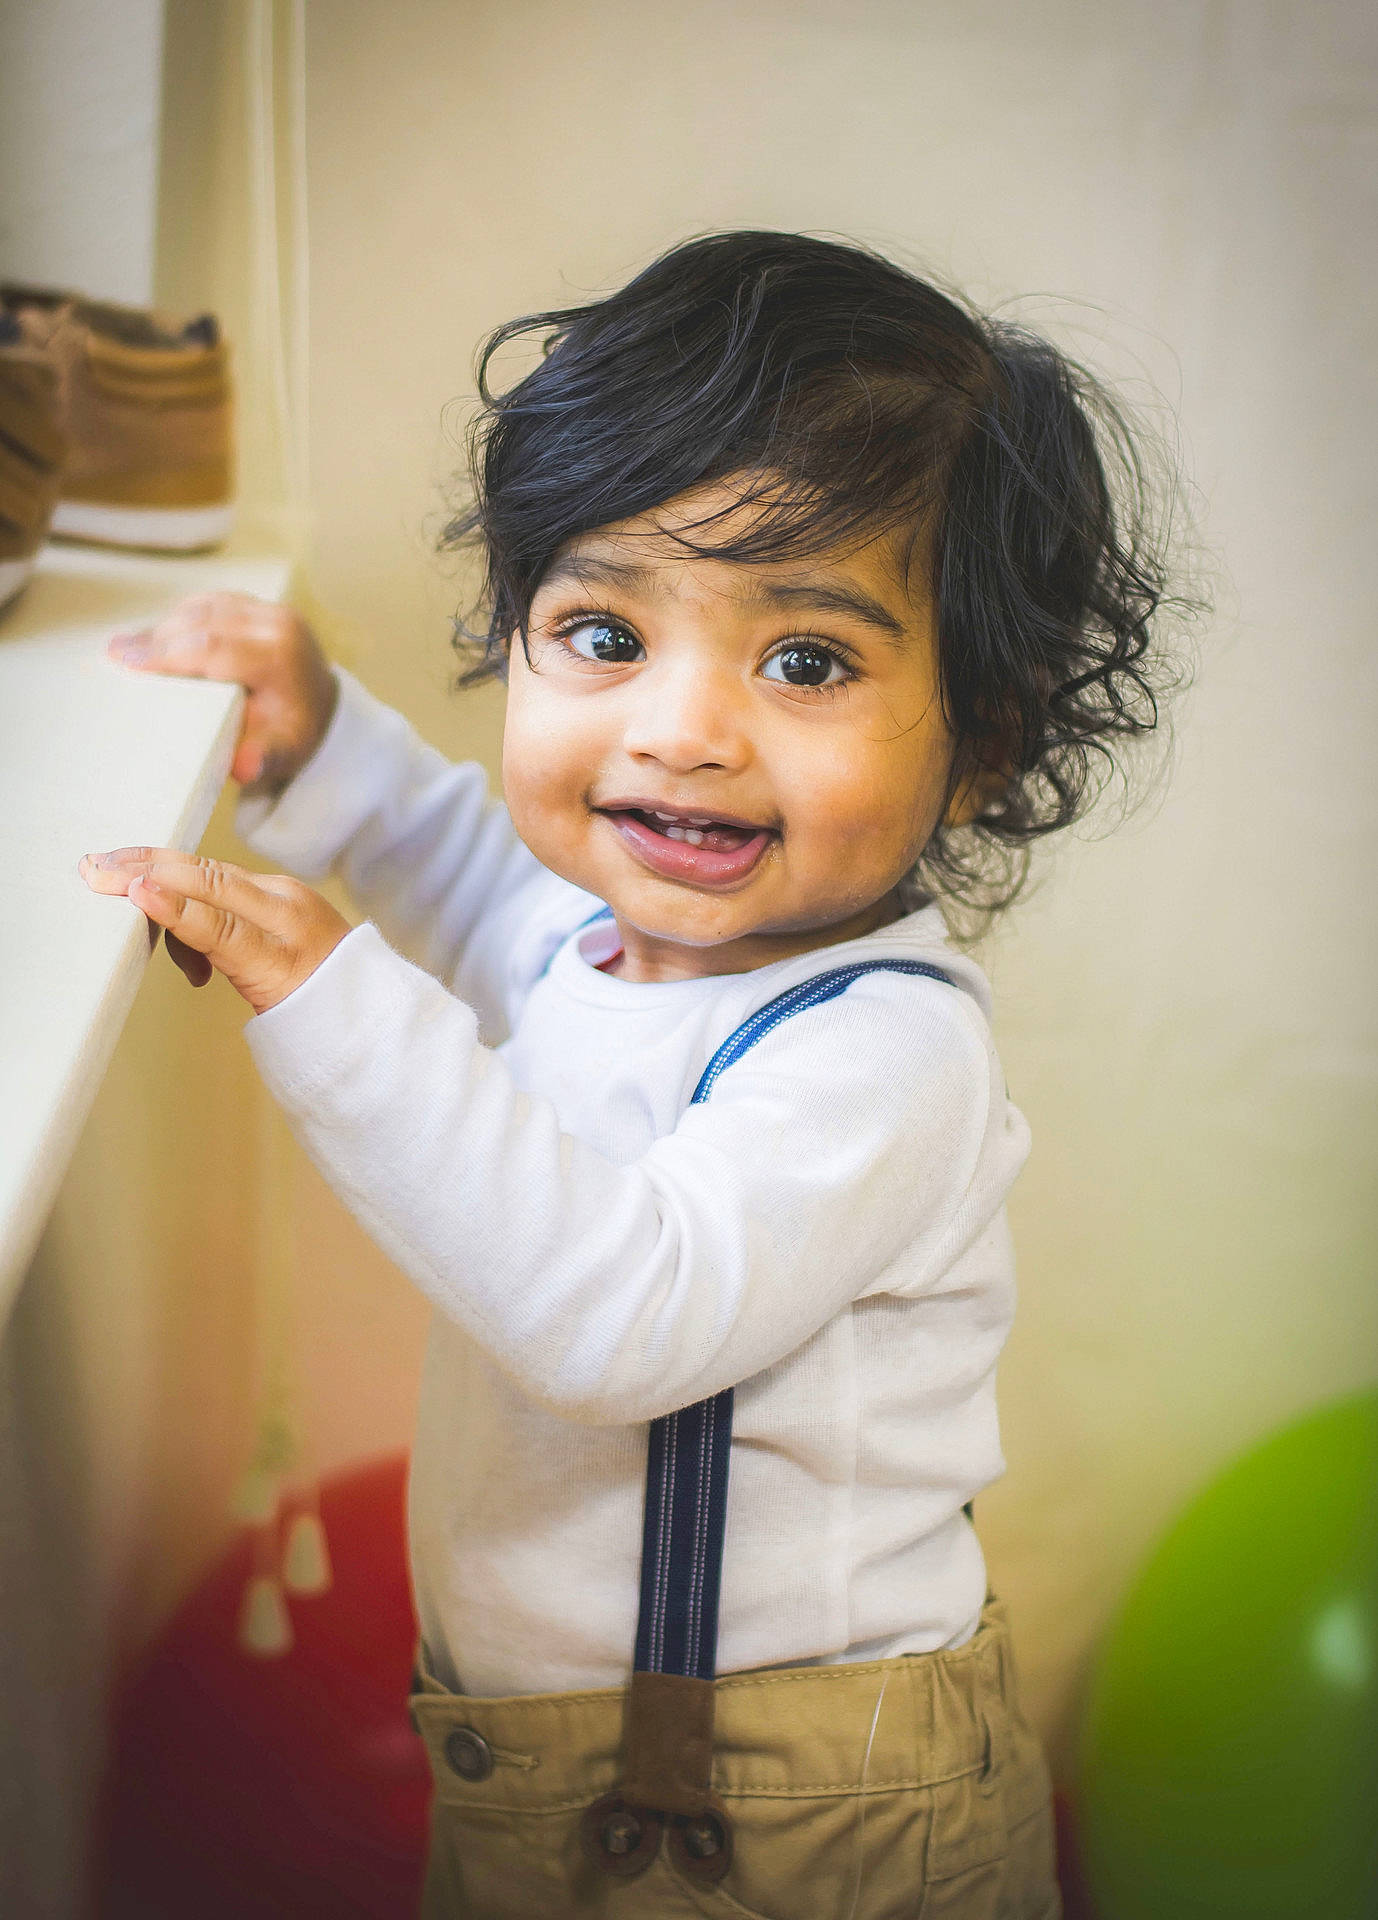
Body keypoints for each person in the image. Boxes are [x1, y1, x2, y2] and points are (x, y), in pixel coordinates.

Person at [80, 231, 1189, 1918]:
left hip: (799, 1818)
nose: (681, 728)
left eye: (804, 659)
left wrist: (328, 998)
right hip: (553, 1759)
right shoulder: (600, 932)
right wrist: (316, 733)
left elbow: (616, 1316)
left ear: (984, 740)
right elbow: (465, 875)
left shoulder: (883, 1054)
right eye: (602, 631)